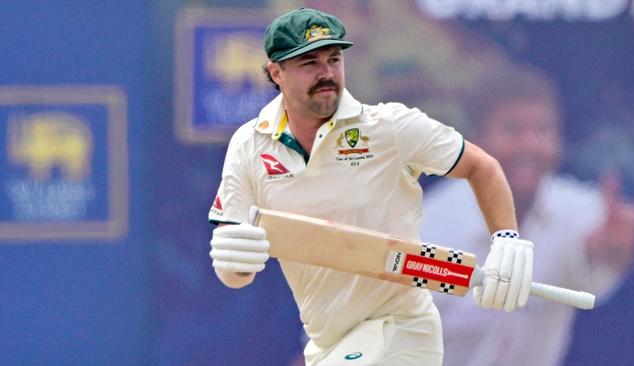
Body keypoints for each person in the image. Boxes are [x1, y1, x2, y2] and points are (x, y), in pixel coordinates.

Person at [208, 8, 534, 365]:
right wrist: (235, 262)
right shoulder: (249, 145)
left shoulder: (390, 127)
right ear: (276, 72)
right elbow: (234, 269)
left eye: (334, 59)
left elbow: (482, 167)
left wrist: (505, 238)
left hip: (402, 330)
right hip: (327, 339)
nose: (327, 73)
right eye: (310, 63)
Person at [420, 66, 634, 366]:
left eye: (543, 130)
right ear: (475, 143)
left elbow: (594, 271)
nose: (530, 145)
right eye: (513, 130)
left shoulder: (581, 208)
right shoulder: (430, 225)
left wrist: (614, 254)